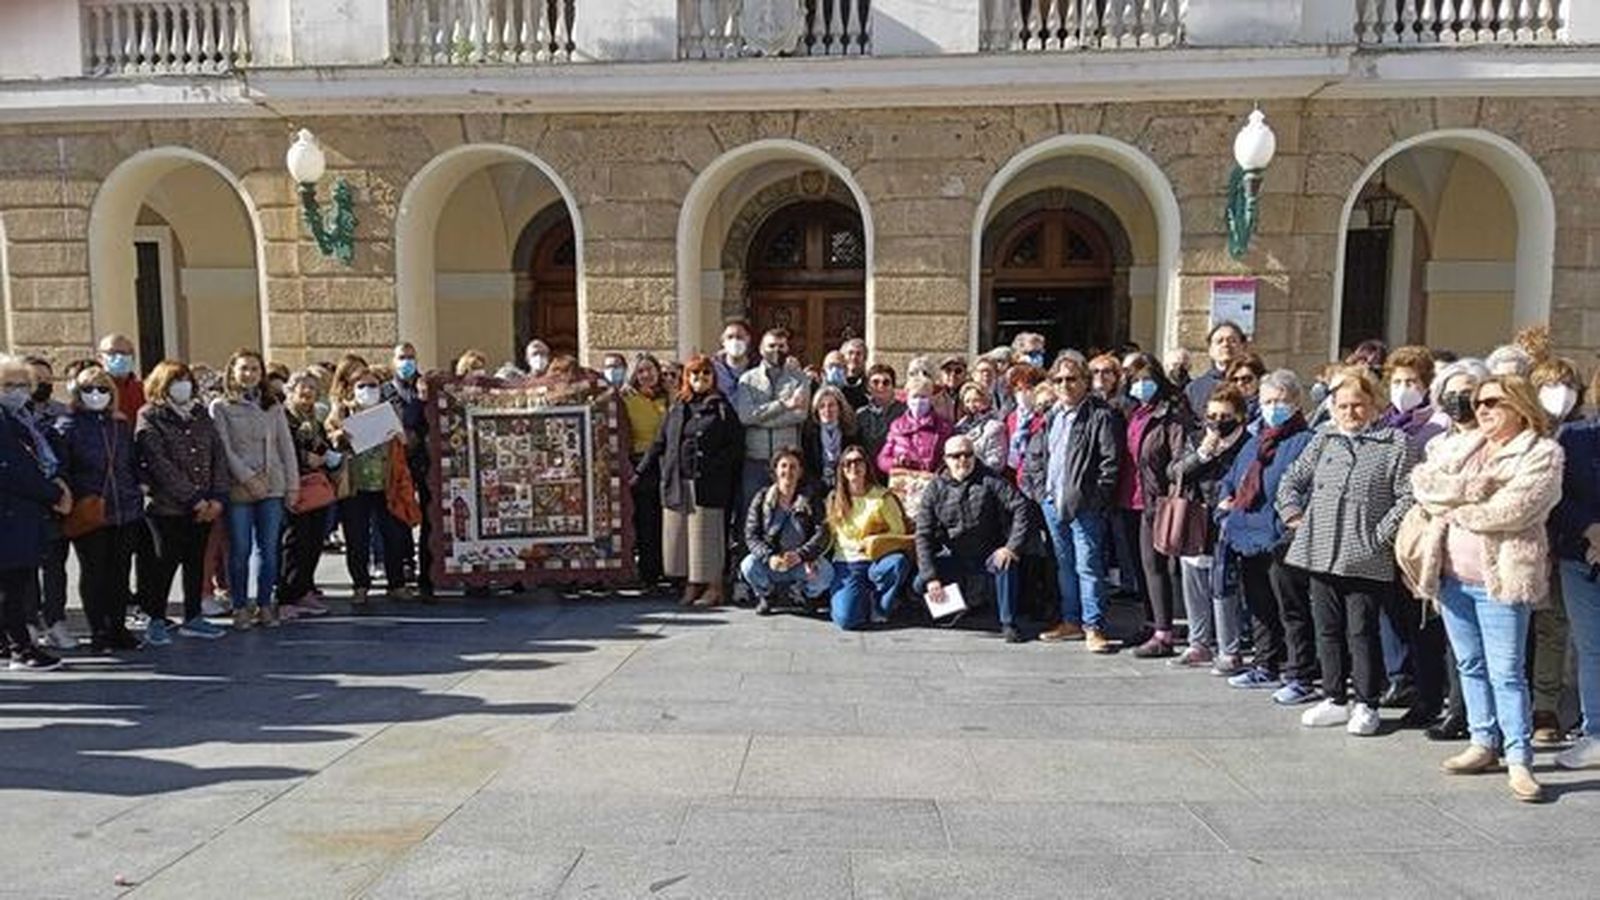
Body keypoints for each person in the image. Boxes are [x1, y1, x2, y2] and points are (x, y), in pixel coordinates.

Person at [1405, 375, 1562, 802]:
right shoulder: (1464, 444)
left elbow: (1518, 509)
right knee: (1470, 664)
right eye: (1479, 402)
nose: (1482, 409)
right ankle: (1482, 742)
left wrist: (1458, 508)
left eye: (1493, 401)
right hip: (1453, 576)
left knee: (1507, 672)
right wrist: (1471, 491)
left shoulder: (1541, 452)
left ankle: (1519, 758)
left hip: (1503, 580)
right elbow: (1423, 484)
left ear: (1519, 405)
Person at [1277, 365, 1416, 736]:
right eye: (1342, 406)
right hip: (1320, 549)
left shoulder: (1395, 444)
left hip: (1365, 555)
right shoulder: (1324, 438)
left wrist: (1380, 534)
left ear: (1373, 404)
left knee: (1361, 630)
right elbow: (1292, 479)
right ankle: (1335, 697)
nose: (1350, 413)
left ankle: (1367, 702)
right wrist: (1293, 515)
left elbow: (1407, 495)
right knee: (1327, 627)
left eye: (1358, 405)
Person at [1217, 370, 1319, 703]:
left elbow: (1302, 490)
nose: (1274, 407)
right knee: (1259, 606)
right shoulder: (1255, 441)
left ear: (1296, 403)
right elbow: (1235, 478)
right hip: (1248, 534)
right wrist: (1226, 499)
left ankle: (1299, 674)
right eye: (1268, 401)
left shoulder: (1306, 441)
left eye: (1280, 401)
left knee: (1291, 609)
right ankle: (1265, 663)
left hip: (1280, 537)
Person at [1021, 357, 1120, 652]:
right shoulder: (1051, 416)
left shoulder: (1099, 415)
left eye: (1072, 379)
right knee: (1064, 566)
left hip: (1084, 505)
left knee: (1088, 565)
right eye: (1059, 380)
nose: (1065, 385)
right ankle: (1071, 621)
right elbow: (1035, 457)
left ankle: (1094, 626)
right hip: (1053, 502)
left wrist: (1095, 499)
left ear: (1085, 382)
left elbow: (1109, 462)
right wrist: (1041, 494)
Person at [1420, 357, 1491, 740]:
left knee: (1498, 653)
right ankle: (1459, 710)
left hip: (1487, 559)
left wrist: (1447, 494)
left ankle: (1492, 727)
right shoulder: (1436, 444)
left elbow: (1483, 492)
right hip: (1443, 555)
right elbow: (1424, 493)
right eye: (1451, 394)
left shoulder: (1497, 442)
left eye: (1467, 393)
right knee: (1457, 644)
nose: (1459, 401)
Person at [134, 361, 229, 643]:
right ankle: (155, 617)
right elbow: (158, 463)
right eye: (176, 380)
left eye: (186, 380)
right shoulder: (150, 416)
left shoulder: (200, 414)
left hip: (206, 504)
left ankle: (194, 615)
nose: (183, 385)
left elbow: (217, 455)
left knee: (196, 561)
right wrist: (194, 499)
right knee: (164, 562)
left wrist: (217, 498)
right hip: (167, 506)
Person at [639, 354, 744, 607]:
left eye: (705, 374)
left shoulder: (722, 407)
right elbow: (660, 442)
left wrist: (716, 466)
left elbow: (736, 446)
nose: (700, 379)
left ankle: (714, 586)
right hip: (679, 481)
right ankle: (691, 584)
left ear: (713, 377)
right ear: (687, 377)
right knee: (684, 538)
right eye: (695, 374)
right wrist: (641, 470)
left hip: (709, 484)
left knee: (707, 537)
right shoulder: (678, 406)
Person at [57, 366, 146, 652]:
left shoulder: (119, 425)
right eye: (89, 389)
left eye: (103, 389)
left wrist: (138, 486)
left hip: (125, 508)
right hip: (90, 509)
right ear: (77, 393)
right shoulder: (67, 426)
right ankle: (99, 630)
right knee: (94, 572)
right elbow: (62, 470)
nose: (96, 395)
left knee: (120, 573)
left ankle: (118, 627)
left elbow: (131, 461)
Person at [211, 349, 299, 629]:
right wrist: (248, 478)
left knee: (269, 549)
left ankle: (264, 603)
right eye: (244, 368)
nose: (249, 374)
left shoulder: (272, 406)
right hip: (240, 487)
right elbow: (224, 449)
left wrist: (292, 486)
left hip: (273, 486)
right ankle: (239, 605)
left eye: (255, 369)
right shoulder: (221, 407)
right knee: (240, 549)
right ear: (233, 372)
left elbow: (285, 447)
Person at [915, 434, 1032, 642]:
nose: (962, 460)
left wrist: (1011, 546)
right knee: (920, 583)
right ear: (946, 459)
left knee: (1006, 564)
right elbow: (923, 533)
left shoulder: (991, 479)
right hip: (952, 553)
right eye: (955, 456)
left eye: (968, 454)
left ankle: (1008, 623)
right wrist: (930, 577)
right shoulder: (935, 488)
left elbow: (1021, 506)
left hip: (988, 551)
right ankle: (955, 610)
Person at [1168, 385, 1252, 674]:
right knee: (1193, 582)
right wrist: (1202, 454)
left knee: (1223, 585)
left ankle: (1230, 649)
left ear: (1239, 416)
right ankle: (1198, 643)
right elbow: (1175, 471)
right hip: (1195, 518)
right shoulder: (1197, 440)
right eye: (1212, 414)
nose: (1217, 421)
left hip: (1228, 520)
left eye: (1225, 415)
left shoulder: (1248, 444)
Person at [1527, 356, 1585, 744]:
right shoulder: (1524, 433)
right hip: (1523, 546)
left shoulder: (1584, 433)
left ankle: (1545, 706)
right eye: (1550, 385)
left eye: (1567, 385)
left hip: (1568, 546)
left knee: (1554, 624)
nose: (1559, 394)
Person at [0, 355, 71, 671]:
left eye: (22, 385)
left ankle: (10, 644)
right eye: (8, 385)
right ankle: (20, 648)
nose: (18, 391)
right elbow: (14, 470)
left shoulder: (21, 418)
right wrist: (54, 493)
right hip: (10, 515)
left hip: (24, 514)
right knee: (12, 588)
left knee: (15, 583)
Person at [1120, 355, 1193, 658]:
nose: (1141, 386)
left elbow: (1179, 459)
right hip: (1131, 497)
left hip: (1157, 500)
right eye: (1135, 381)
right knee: (1141, 566)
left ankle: (1164, 633)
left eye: (1146, 380)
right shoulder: (1135, 412)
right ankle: (1152, 623)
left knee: (1156, 566)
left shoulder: (1170, 416)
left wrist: (1170, 489)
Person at [326, 367, 412, 606]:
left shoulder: (389, 411)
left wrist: (401, 436)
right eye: (361, 386)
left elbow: (404, 442)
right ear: (352, 389)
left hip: (386, 484)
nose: (368, 390)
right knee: (357, 539)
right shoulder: (342, 412)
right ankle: (360, 585)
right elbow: (330, 436)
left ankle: (397, 584)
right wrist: (341, 434)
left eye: (373, 385)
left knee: (393, 535)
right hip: (355, 485)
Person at [1552, 363, 1600, 771]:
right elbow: (1556, 498)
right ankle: (1597, 732)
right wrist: (1590, 529)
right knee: (1592, 649)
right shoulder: (1575, 437)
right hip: (1580, 559)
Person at [825, 444, 912, 630]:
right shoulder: (834, 498)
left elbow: (900, 534)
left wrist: (877, 538)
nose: (853, 467)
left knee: (897, 563)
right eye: (847, 463)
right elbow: (827, 536)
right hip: (846, 563)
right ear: (842, 469)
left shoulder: (883, 497)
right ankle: (860, 597)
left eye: (858, 462)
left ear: (866, 466)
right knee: (846, 620)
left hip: (876, 559)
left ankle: (880, 604)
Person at [739, 447, 833, 615]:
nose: (787, 471)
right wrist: (769, 557)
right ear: (775, 470)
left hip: (801, 562)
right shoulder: (762, 498)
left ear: (800, 472)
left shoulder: (811, 498)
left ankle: (805, 594)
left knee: (826, 573)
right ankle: (767, 595)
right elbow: (751, 535)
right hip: (773, 562)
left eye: (793, 467)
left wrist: (802, 555)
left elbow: (822, 533)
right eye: (783, 466)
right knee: (748, 565)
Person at [20, 356, 72, 650]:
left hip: (55, 501)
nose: (42, 385)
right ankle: (29, 621)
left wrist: (61, 487)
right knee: (26, 568)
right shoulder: (14, 416)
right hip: (26, 503)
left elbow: (67, 454)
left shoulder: (62, 413)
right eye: (35, 379)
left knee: (55, 567)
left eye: (47, 379)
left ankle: (56, 621)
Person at [734, 328, 811, 524]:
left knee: (787, 514)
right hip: (756, 458)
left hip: (788, 460)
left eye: (781, 346)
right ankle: (749, 554)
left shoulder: (799, 378)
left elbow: (799, 414)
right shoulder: (747, 380)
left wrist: (761, 418)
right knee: (751, 514)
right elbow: (745, 416)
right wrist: (783, 405)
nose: (776, 350)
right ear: (761, 349)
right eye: (771, 346)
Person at [279, 370, 337, 618]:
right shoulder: (283, 417)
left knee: (313, 542)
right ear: (289, 391)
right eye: (302, 388)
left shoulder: (314, 418)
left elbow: (321, 445)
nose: (307, 393)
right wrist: (306, 457)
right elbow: (280, 448)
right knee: (294, 543)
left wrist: (330, 451)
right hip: (292, 485)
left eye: (312, 388)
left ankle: (304, 590)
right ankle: (287, 597)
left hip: (315, 487)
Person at [381, 342, 429, 599]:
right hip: (395, 461)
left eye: (411, 357)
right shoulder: (384, 391)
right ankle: (400, 571)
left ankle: (427, 574)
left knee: (428, 516)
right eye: (402, 357)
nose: (406, 362)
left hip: (422, 460)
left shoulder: (424, 388)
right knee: (396, 516)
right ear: (393, 361)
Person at [621, 353, 669, 588]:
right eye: (641, 371)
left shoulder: (668, 398)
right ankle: (649, 574)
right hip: (642, 464)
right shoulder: (627, 399)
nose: (646, 375)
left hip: (668, 464)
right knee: (646, 521)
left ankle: (669, 569)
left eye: (650, 369)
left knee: (666, 521)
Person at [876, 374, 951, 476]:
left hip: (932, 484)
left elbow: (950, 458)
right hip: (903, 484)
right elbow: (882, 460)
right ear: (907, 399)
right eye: (915, 396)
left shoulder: (943, 427)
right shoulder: (897, 426)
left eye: (923, 397)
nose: (919, 401)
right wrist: (896, 462)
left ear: (931, 399)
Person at [801, 385, 858, 494]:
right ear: (816, 410)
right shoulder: (809, 433)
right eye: (822, 406)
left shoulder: (850, 431)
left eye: (831, 405)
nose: (827, 410)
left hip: (846, 485)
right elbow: (807, 465)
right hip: (817, 486)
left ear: (840, 408)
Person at [1184, 321, 1248, 417]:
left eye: (1232, 340)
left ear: (1243, 346)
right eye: (1219, 341)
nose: (1225, 345)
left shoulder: (1253, 382)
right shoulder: (1195, 389)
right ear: (1210, 350)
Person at [855, 363, 904, 463]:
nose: (881, 386)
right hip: (867, 470)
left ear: (893, 386)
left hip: (895, 469)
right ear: (868, 387)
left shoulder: (904, 412)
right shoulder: (861, 415)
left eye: (886, 382)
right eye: (875, 382)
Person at [953, 382, 1005, 472]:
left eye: (976, 400)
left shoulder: (994, 427)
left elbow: (996, 462)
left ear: (985, 401)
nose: (971, 405)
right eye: (967, 401)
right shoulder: (958, 428)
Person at [98, 333, 145, 421]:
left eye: (123, 353)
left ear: (133, 357)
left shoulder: (142, 389)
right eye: (112, 352)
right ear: (100, 358)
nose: (119, 357)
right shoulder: (93, 389)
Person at [712, 319, 754, 400]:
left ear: (748, 339)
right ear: (723, 341)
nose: (735, 341)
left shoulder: (759, 367)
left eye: (739, 337)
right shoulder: (712, 368)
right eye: (730, 337)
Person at [1225, 354, 1266, 426]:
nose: (1240, 383)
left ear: (1259, 379)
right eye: (1235, 380)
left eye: (1246, 379)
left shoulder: (1268, 407)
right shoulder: (1225, 405)